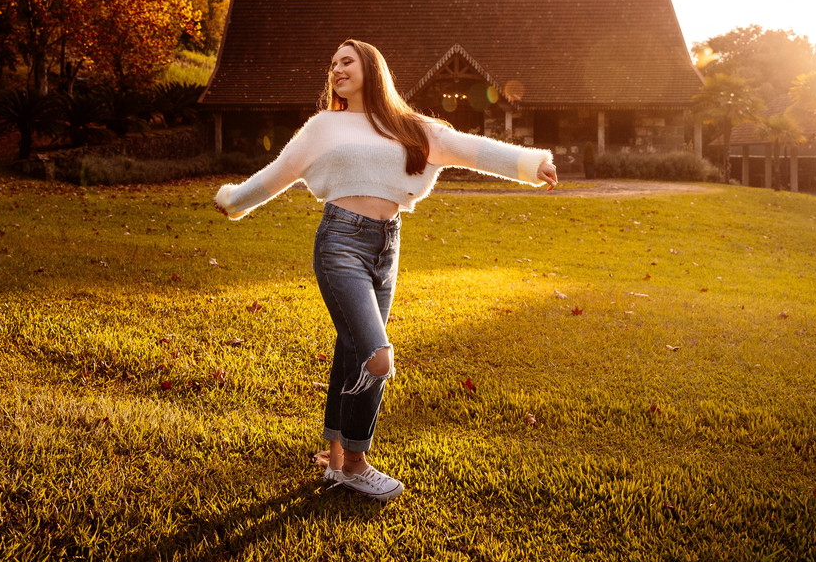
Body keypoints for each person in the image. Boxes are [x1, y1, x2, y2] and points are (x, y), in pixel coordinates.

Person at [213, 39, 558, 502]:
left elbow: (470, 150)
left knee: (350, 350)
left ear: (371, 68)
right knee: (377, 358)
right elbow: (277, 174)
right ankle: (356, 464)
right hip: (339, 242)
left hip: (386, 246)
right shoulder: (322, 127)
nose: (336, 68)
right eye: (332, 63)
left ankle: (335, 459)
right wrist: (233, 200)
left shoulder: (409, 127)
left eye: (346, 61)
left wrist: (531, 165)